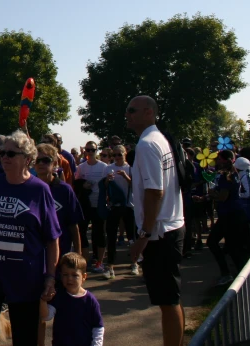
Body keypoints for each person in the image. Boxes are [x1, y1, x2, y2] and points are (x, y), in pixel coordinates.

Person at [0, 131, 60, 346]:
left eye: (11, 154)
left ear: (27, 159)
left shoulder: (39, 190)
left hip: (25, 277)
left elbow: (52, 239)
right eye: (3, 152)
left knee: (24, 334)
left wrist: (51, 277)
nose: (5, 157)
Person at [126, 96, 185, 346]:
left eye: (131, 110)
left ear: (149, 112)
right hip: (170, 226)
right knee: (169, 299)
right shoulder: (159, 139)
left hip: (161, 232)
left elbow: (154, 191)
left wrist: (144, 236)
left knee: (168, 301)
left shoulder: (148, 144)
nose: (127, 115)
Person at [204, 151, 250, 286]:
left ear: (225, 160)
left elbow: (223, 197)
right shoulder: (232, 173)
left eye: (219, 159)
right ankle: (240, 277)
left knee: (219, 244)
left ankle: (232, 275)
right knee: (233, 248)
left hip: (230, 215)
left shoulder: (227, 176)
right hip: (232, 214)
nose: (217, 162)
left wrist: (212, 194)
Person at [40, 252, 105, 346]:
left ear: (84, 277)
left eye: (74, 275)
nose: (69, 278)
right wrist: (43, 301)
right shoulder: (59, 296)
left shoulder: (90, 300)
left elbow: (98, 327)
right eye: (65, 275)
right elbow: (46, 316)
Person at [35, 143, 83, 257]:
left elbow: (74, 225)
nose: (40, 163)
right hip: (35, 251)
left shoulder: (64, 190)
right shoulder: (28, 187)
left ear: (55, 163)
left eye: (46, 160)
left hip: (61, 249)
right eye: (37, 160)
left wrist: (78, 254)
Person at [103, 145, 138, 279]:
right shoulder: (108, 168)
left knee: (131, 236)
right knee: (111, 236)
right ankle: (110, 265)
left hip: (129, 205)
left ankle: (134, 262)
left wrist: (126, 177)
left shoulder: (130, 168)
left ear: (125, 154)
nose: (117, 157)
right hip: (114, 205)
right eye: (115, 155)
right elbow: (104, 187)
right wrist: (107, 180)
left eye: (120, 154)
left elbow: (136, 186)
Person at [75, 141, 108, 273]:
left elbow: (107, 186)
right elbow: (76, 183)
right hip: (85, 204)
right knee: (82, 232)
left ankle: (99, 261)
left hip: (99, 203)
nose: (89, 153)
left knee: (99, 233)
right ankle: (86, 261)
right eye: (87, 150)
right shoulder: (81, 167)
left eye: (92, 150)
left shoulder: (104, 167)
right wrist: (83, 185)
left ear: (96, 151)